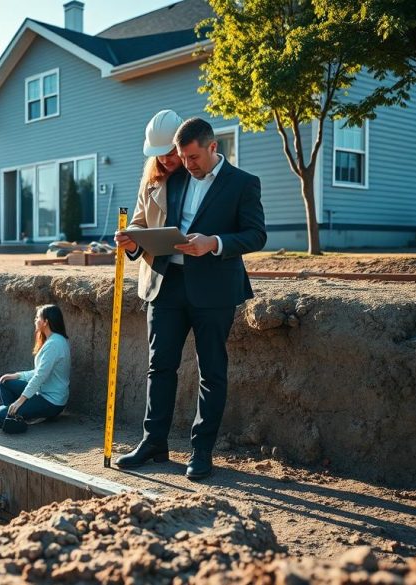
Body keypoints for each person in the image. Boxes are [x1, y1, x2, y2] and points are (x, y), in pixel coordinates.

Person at [114, 116, 266, 480]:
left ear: (213, 147)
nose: (187, 164)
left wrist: (213, 243)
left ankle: (201, 452)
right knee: (159, 366)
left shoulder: (243, 183)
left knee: (211, 372)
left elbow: (256, 235)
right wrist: (134, 240)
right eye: (183, 158)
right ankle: (153, 443)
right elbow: (149, 222)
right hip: (167, 284)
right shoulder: (175, 175)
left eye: (194, 157)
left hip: (213, 289)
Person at [0, 304, 70, 429]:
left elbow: (40, 377)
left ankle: (10, 416)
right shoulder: (53, 340)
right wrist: (17, 375)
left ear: (45, 322)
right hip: (42, 393)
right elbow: (39, 371)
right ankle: (13, 414)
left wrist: (20, 401)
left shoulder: (54, 344)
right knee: (5, 382)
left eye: (37, 318)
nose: (35, 320)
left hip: (51, 401)